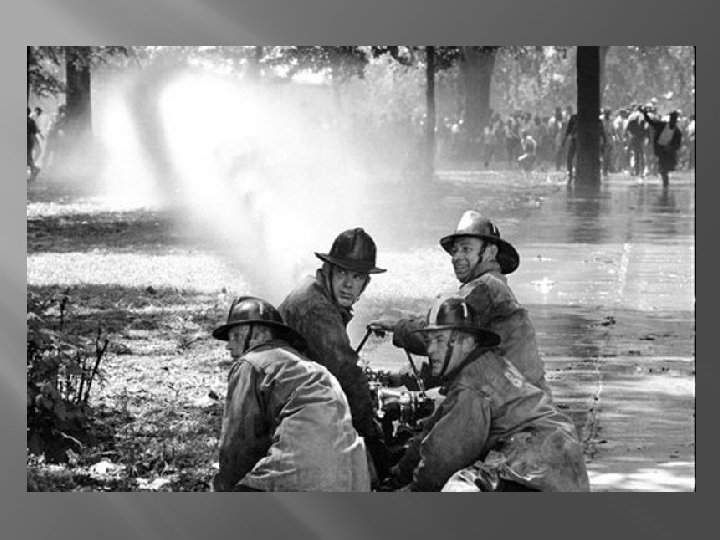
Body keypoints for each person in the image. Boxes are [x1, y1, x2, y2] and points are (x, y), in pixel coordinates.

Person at [387, 297, 589, 492]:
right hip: (559, 463)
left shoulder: (471, 385)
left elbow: (442, 460)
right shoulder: (485, 365)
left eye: (440, 340)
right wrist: (401, 471)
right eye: (428, 340)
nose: (430, 349)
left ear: (467, 343)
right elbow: (433, 431)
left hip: (537, 466)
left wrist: (408, 490)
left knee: (461, 488)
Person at [371, 210, 551, 398]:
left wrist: (398, 327)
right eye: (455, 251)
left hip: (512, 401)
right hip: (520, 397)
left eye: (466, 249)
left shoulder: (485, 288)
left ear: (490, 252)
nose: (457, 257)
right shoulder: (492, 286)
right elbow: (455, 357)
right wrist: (395, 378)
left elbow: (443, 337)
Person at [212, 296, 370, 492]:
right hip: (355, 483)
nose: (229, 346)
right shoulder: (310, 367)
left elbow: (239, 446)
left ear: (261, 335)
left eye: (236, 337)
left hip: (303, 480)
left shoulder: (250, 362)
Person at [278, 227, 390, 481]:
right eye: (342, 273)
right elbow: (346, 375)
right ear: (328, 270)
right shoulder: (318, 309)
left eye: (357, 276)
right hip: (282, 418)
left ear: (366, 283)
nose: (348, 284)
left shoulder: (315, 292)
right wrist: (372, 438)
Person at [643, 108, 683, 187]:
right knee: (663, 169)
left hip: (668, 152)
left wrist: (670, 148)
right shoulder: (662, 125)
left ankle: (665, 184)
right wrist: (645, 114)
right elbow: (651, 123)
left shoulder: (677, 131)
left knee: (665, 169)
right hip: (661, 150)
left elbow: (677, 144)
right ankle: (665, 184)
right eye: (672, 119)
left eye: (674, 120)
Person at [27, 107, 42, 181]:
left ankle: (34, 170)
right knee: (29, 156)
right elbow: (34, 132)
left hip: (28, 140)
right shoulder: (32, 121)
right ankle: (35, 170)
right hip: (30, 140)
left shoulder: (29, 121)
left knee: (28, 157)